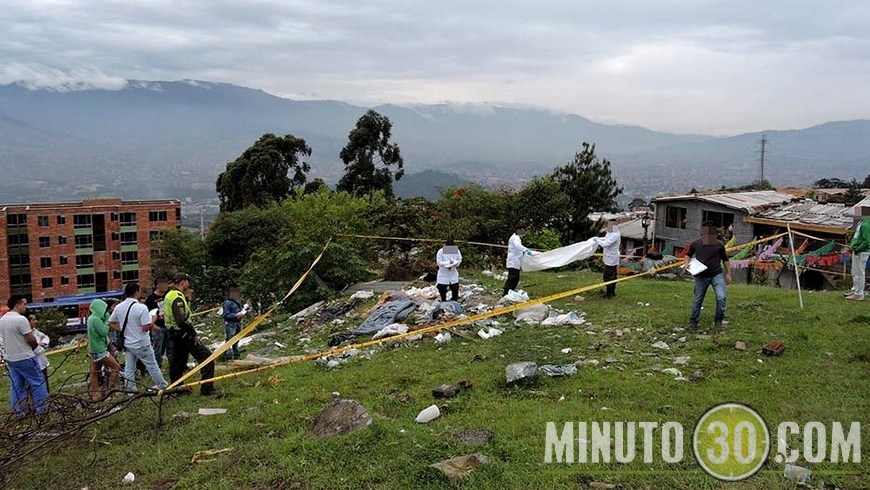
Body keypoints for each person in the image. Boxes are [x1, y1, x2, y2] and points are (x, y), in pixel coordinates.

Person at [164, 273, 219, 396]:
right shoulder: (177, 297)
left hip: (174, 334)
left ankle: (176, 389)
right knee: (206, 357)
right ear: (183, 282)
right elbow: (181, 320)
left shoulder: (169, 295)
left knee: (177, 362)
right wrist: (193, 333)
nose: (189, 285)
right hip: (183, 334)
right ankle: (207, 388)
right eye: (188, 282)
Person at [109, 283, 168, 392]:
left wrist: (122, 329)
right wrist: (154, 319)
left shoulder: (119, 307)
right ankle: (162, 386)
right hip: (141, 343)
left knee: (129, 368)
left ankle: (131, 390)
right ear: (136, 292)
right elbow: (146, 327)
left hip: (128, 343)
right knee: (152, 365)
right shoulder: (141, 307)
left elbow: (111, 322)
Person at [0, 296, 50, 414]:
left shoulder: (2, 319)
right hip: (25, 357)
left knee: (16, 386)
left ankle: (19, 411)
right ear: (17, 305)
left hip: (11, 358)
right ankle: (42, 409)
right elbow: (30, 339)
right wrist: (37, 348)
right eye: (24, 304)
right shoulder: (21, 320)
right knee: (38, 382)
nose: (25, 307)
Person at [683, 222, 732, 330]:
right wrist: (687, 263)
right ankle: (693, 322)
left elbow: (725, 260)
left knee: (721, 297)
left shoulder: (719, 245)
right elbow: (687, 255)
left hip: (716, 274)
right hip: (701, 276)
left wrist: (728, 273)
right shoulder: (696, 244)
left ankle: (718, 320)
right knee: (698, 299)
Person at [87, 298, 121, 399]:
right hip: (100, 350)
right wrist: (107, 320)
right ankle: (110, 389)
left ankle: (96, 393)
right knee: (116, 367)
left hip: (94, 349)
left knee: (94, 372)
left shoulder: (91, 318)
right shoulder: (96, 320)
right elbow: (104, 332)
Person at [846, 206, 870, 301]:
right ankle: (855, 290)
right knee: (854, 271)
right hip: (856, 250)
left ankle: (859, 294)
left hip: (862, 251)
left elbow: (868, 242)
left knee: (860, 273)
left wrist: (857, 248)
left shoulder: (866, 225)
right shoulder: (861, 223)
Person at [145, 277, 170, 367]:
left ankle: (173, 366)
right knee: (158, 350)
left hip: (168, 325)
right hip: (157, 327)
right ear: (157, 285)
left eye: (165, 283)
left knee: (170, 348)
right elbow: (147, 314)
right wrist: (153, 326)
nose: (165, 285)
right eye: (162, 283)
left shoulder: (168, 295)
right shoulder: (151, 298)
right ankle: (157, 367)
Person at [595, 218, 621, 298]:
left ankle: (609, 293)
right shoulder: (610, 233)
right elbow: (606, 239)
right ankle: (611, 292)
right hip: (609, 257)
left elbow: (605, 244)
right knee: (612, 275)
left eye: (609, 225)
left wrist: (596, 240)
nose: (607, 226)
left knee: (608, 276)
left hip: (611, 258)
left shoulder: (615, 235)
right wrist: (599, 239)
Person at [221, 284, 247, 361]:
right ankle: (228, 357)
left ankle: (236, 355)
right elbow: (225, 315)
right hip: (230, 324)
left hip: (239, 323)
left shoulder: (238, 301)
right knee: (229, 341)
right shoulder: (227, 303)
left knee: (236, 340)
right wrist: (235, 315)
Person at [503, 226, 530, 297]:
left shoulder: (516, 237)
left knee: (515, 279)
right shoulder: (515, 238)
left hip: (515, 262)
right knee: (512, 279)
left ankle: (509, 293)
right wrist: (526, 250)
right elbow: (518, 246)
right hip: (513, 262)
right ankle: (506, 293)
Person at [436, 237, 462, 302]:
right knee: (442, 288)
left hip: (453, 272)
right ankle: (443, 300)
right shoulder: (440, 251)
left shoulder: (456, 251)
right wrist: (447, 263)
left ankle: (454, 300)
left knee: (455, 288)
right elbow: (439, 262)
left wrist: (456, 263)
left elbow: (459, 259)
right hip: (443, 273)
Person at [29, 314, 51, 392]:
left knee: (45, 383)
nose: (36, 321)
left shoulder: (35, 330)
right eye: (33, 320)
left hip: (42, 362)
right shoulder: (27, 334)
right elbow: (35, 349)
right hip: (35, 363)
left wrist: (42, 344)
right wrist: (39, 346)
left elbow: (45, 337)